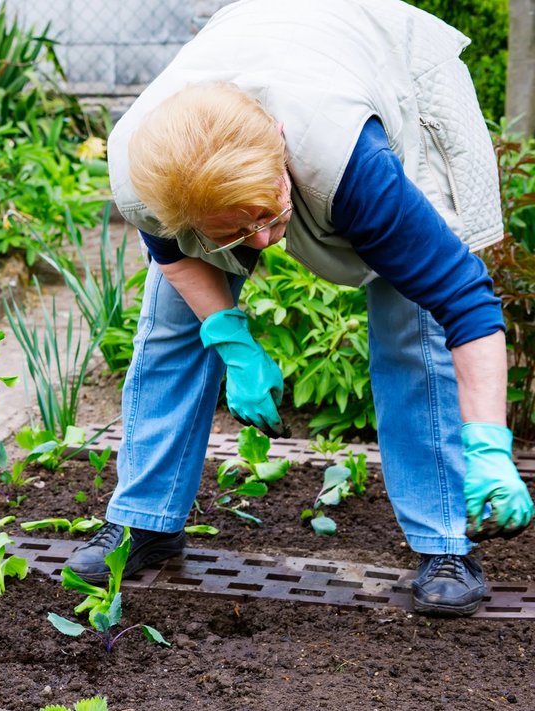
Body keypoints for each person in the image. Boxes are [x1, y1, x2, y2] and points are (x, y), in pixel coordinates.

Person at [65, 0, 533, 617]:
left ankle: (445, 541)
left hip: (388, 69)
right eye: (236, 231)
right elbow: (173, 256)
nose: (262, 242)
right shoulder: (146, 169)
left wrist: (489, 443)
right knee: (172, 325)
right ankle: (144, 519)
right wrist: (229, 336)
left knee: (410, 320)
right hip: (258, 59)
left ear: (279, 145)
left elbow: (464, 302)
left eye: (267, 214)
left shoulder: (353, 161)